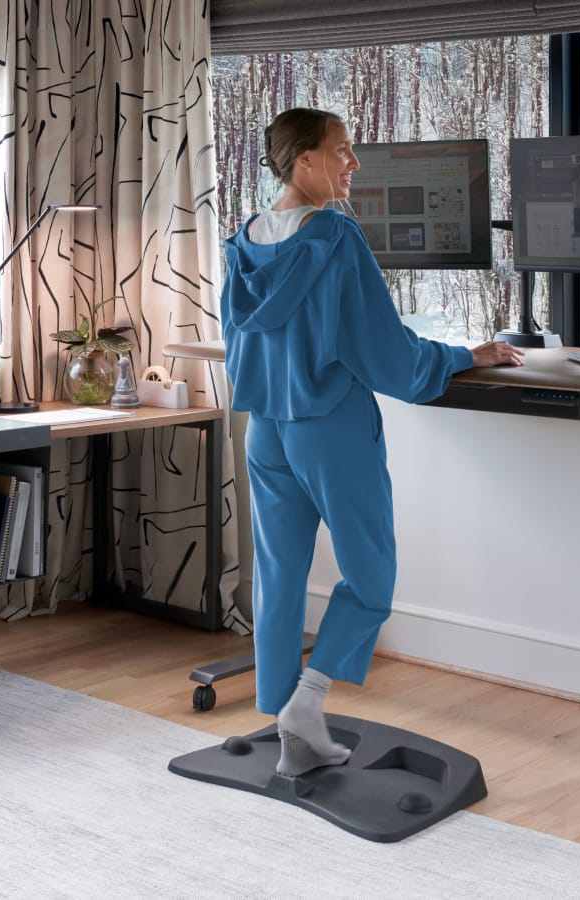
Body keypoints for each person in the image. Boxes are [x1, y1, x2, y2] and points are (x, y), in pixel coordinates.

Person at [221, 108, 524, 778]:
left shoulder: (241, 243)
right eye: (342, 151)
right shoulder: (333, 236)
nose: (353, 164)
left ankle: (283, 724)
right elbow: (384, 352)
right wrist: (463, 354)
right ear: (302, 160)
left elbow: (242, 342)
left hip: (264, 429)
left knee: (278, 576)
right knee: (370, 575)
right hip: (328, 426)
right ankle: (307, 702)